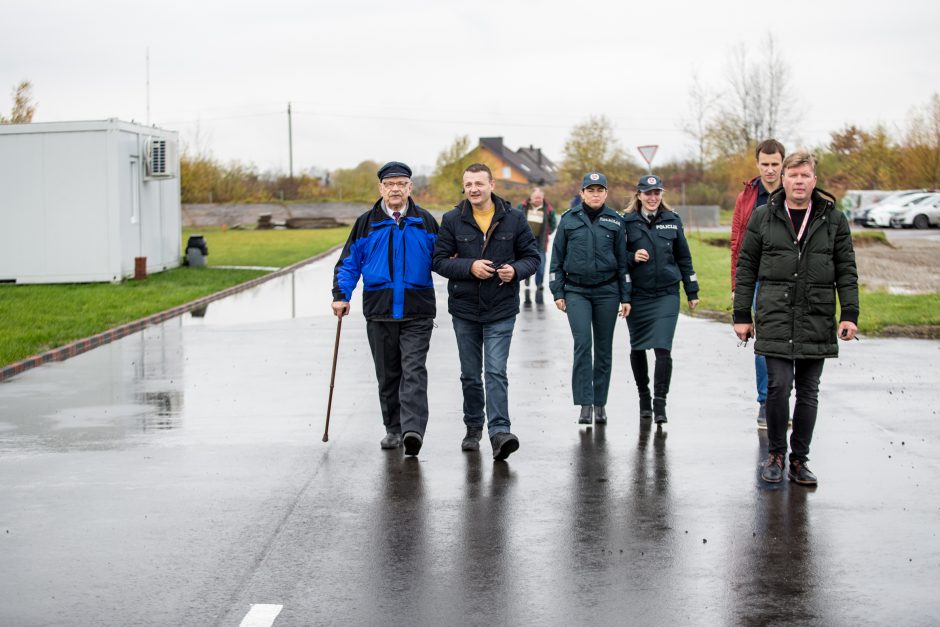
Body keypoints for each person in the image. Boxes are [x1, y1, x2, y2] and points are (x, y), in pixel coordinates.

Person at [733, 151, 859, 486]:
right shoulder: (764, 216)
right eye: (793, 175)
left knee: (808, 391)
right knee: (778, 386)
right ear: (782, 180)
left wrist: (849, 313)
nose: (799, 181)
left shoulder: (834, 219)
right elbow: (746, 268)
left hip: (815, 314)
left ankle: (799, 459)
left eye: (805, 175)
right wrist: (741, 315)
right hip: (774, 312)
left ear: (814, 180)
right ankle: (775, 453)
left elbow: (847, 269)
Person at [432, 163, 541, 460]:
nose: (474, 189)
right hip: (465, 309)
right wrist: (469, 267)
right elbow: (439, 261)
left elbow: (532, 257)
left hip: (501, 308)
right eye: (468, 184)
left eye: (479, 183)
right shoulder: (453, 220)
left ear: (492, 184)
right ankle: (473, 427)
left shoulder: (514, 219)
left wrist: (515, 271)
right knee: (470, 374)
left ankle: (500, 432)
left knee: (495, 371)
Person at [331, 161, 439, 456]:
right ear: (381, 188)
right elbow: (349, 263)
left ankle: (412, 430)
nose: (395, 189)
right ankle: (393, 428)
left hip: (418, 310)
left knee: (414, 370)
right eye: (390, 184)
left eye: (401, 184)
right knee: (388, 373)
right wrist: (342, 294)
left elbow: (444, 258)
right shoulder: (367, 222)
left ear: (410, 188)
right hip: (379, 311)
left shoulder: (425, 221)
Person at [550, 172, 631, 425]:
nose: (595, 194)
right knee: (583, 344)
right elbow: (556, 259)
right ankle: (584, 404)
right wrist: (558, 291)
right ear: (582, 193)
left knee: (604, 349)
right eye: (590, 190)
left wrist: (625, 295)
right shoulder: (568, 220)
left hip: (608, 292)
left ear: (606, 193)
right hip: (577, 291)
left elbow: (623, 264)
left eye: (600, 190)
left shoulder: (616, 221)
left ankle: (600, 403)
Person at [623, 174, 699, 424]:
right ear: (639, 195)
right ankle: (643, 397)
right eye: (648, 193)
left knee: (663, 347)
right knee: (638, 347)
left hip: (667, 293)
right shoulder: (627, 222)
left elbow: (684, 258)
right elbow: (616, 259)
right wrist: (633, 256)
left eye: (657, 193)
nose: (653, 198)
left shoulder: (672, 220)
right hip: (638, 295)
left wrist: (692, 291)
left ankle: (660, 402)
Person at [731, 139, 786, 428]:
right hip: (756, 280)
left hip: (790, 279)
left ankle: (785, 399)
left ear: (783, 164)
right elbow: (737, 243)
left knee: (791, 341)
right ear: (757, 164)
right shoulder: (748, 196)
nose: (769, 170)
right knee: (763, 341)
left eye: (775, 164)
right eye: (764, 164)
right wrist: (735, 285)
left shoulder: (794, 192)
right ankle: (766, 403)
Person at [516, 187, 556, 306]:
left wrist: (548, 233)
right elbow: (515, 220)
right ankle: (527, 281)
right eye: (536, 197)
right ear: (531, 198)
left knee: (541, 264)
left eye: (540, 197)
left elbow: (553, 223)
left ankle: (539, 285)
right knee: (526, 261)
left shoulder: (548, 209)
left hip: (541, 241)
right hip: (526, 240)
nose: (538, 199)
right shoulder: (522, 207)